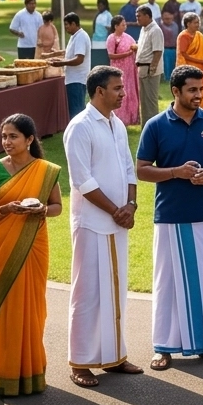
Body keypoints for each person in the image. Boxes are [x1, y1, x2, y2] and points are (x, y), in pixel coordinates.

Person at [136, 66, 203, 371]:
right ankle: (163, 347)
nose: (198, 95)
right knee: (167, 283)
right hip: (170, 215)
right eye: (192, 90)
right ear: (175, 91)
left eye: (200, 89)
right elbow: (141, 169)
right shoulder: (155, 126)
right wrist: (175, 172)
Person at [63, 66, 143, 387]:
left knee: (115, 291)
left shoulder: (117, 125)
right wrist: (115, 210)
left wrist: (131, 206)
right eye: (117, 88)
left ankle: (113, 356)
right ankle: (80, 362)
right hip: (92, 223)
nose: (123, 93)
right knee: (88, 292)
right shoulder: (79, 127)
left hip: (118, 221)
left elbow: (128, 167)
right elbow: (83, 181)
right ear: (99, 92)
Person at [0, 114, 63, 396]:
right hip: (2, 246)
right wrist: (6, 209)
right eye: (4, 136)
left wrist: (41, 211)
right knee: (7, 311)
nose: (7, 142)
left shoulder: (45, 170)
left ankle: (31, 375)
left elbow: (56, 207)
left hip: (34, 244)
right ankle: (5, 375)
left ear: (29, 140)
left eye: (13, 136)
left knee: (32, 309)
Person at [49, 13, 92, 120]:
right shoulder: (75, 36)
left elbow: (79, 59)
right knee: (75, 109)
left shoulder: (81, 37)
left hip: (77, 79)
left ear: (74, 24)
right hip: (73, 78)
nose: (66, 28)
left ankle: (80, 134)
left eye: (67, 25)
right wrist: (57, 54)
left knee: (76, 111)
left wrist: (61, 63)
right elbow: (71, 53)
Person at [101, 16, 139, 126]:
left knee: (130, 91)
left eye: (125, 24)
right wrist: (126, 54)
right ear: (116, 26)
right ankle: (121, 118)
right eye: (122, 25)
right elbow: (111, 55)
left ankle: (133, 117)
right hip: (119, 69)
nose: (125, 26)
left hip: (130, 70)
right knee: (120, 92)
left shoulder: (128, 37)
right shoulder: (112, 38)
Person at [134, 5, 165, 125]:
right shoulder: (144, 29)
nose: (137, 18)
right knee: (144, 102)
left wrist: (152, 69)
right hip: (142, 68)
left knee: (150, 102)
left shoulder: (155, 30)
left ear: (147, 16)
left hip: (149, 69)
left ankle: (154, 128)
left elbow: (157, 52)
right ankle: (146, 128)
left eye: (139, 16)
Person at [176, 13, 203, 111]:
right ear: (188, 24)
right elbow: (184, 55)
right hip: (189, 70)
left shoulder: (199, 35)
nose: (198, 24)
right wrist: (200, 61)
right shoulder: (183, 36)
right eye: (195, 22)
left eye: (198, 22)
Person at [160, 10, 180, 80]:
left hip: (174, 48)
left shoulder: (175, 25)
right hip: (165, 49)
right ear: (162, 18)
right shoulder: (160, 26)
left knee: (173, 64)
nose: (168, 20)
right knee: (166, 65)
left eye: (170, 18)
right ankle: (166, 78)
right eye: (166, 19)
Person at [92, 0, 113, 67]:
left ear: (105, 6)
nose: (99, 7)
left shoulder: (108, 15)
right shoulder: (98, 15)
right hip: (96, 39)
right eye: (98, 6)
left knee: (103, 57)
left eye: (101, 6)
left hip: (103, 40)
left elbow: (110, 28)